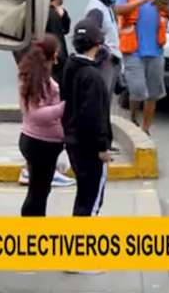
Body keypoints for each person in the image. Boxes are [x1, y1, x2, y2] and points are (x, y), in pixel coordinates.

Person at [114, 0, 169, 135]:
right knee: (138, 90)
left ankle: (146, 128)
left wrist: (165, 7)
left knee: (153, 93)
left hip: (156, 48)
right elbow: (118, 9)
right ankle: (133, 116)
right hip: (133, 48)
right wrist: (142, 0)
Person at [62, 17, 113, 216]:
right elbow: (94, 116)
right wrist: (102, 147)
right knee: (91, 203)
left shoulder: (70, 67)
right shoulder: (93, 77)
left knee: (83, 198)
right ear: (97, 45)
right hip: (90, 149)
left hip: (73, 142)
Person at [17, 35, 67, 216]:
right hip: (41, 143)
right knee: (38, 192)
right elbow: (35, 113)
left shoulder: (35, 76)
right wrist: (63, 107)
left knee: (40, 191)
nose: (58, 58)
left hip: (40, 141)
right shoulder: (36, 80)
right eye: (56, 54)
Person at [85, 0, 123, 95]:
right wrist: (105, 53)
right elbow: (91, 36)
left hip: (111, 61)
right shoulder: (96, 10)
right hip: (104, 62)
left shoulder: (105, 6)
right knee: (101, 96)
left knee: (106, 97)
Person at [46, 0, 71, 85]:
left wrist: (64, 15)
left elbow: (66, 28)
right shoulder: (52, 15)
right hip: (56, 69)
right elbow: (58, 38)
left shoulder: (54, 12)